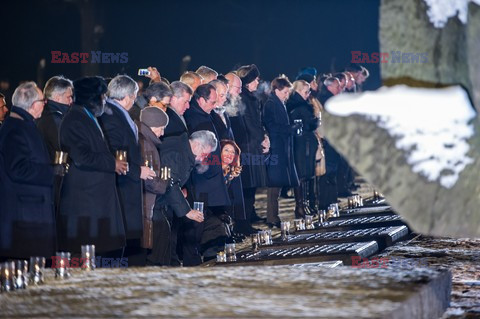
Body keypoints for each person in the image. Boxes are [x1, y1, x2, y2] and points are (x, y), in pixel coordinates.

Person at [58, 76, 127, 256]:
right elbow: (82, 156)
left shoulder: (87, 116)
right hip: (85, 203)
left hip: (96, 201)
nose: (105, 100)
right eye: (103, 96)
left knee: (104, 252)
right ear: (92, 97)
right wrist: (113, 163)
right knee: (88, 255)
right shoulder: (74, 119)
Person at [99, 75, 156, 265]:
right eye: (134, 96)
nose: (134, 100)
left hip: (127, 185)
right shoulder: (110, 115)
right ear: (128, 95)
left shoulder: (118, 113)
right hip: (120, 185)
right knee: (118, 241)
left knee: (126, 240)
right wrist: (136, 171)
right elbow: (114, 154)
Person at [0, 82, 56, 260]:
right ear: (32, 105)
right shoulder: (15, 129)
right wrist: (52, 172)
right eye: (43, 101)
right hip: (25, 215)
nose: (45, 104)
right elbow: (18, 169)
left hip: (31, 213)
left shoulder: (23, 124)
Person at [156, 130, 214, 266]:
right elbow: (171, 183)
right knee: (161, 247)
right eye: (204, 154)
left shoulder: (182, 149)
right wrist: (188, 211)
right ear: (198, 145)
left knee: (169, 243)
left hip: (164, 204)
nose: (203, 158)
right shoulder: (177, 152)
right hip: (157, 204)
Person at [233, 64, 269, 225]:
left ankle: (250, 215)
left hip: (253, 145)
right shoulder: (244, 99)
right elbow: (249, 123)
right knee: (247, 185)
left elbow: (258, 122)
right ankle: (244, 222)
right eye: (255, 79)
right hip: (247, 146)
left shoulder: (252, 97)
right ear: (248, 82)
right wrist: (262, 138)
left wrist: (264, 136)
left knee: (252, 186)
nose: (258, 82)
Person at [263, 76, 301, 227]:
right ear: (277, 90)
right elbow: (271, 126)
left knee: (277, 184)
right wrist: (289, 129)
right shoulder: (271, 104)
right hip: (276, 149)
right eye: (285, 92)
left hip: (282, 148)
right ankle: (272, 217)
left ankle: (274, 216)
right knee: (274, 185)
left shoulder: (279, 103)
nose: (287, 95)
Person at [136, 106, 169, 264]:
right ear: (153, 126)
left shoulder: (145, 140)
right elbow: (149, 176)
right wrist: (163, 185)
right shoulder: (146, 144)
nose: (162, 133)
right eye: (161, 128)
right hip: (146, 202)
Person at [287, 80, 319, 217]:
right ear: (299, 91)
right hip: (301, 143)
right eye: (306, 91)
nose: (308, 94)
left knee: (307, 175)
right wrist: (316, 121)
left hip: (305, 142)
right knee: (301, 175)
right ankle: (300, 206)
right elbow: (308, 123)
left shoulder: (302, 104)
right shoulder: (297, 105)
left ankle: (305, 204)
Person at [36, 76, 74, 161]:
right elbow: (65, 147)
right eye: (68, 97)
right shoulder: (54, 119)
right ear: (57, 97)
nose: (71, 101)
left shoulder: (43, 113)